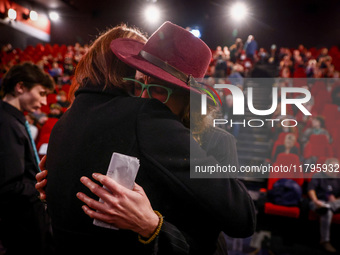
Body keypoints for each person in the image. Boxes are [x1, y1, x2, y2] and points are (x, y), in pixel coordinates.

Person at [43, 22, 255, 254]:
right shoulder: (140, 124)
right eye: (141, 85)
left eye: (159, 90)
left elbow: (231, 225)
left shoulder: (217, 141)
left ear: (188, 99)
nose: (144, 97)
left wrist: (153, 226)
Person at [0, 62, 55, 255]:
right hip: (21, 225)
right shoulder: (5, 123)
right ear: (20, 87)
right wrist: (44, 187)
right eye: (41, 93)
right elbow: (9, 184)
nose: (44, 102)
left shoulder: (14, 119)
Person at [308, 158, 340, 253]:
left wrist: (336, 200)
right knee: (327, 213)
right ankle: (325, 241)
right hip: (318, 203)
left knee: (327, 208)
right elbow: (311, 189)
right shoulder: (318, 175)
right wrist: (315, 201)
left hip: (333, 204)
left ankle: (327, 206)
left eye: (336, 168)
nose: (335, 170)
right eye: (332, 167)